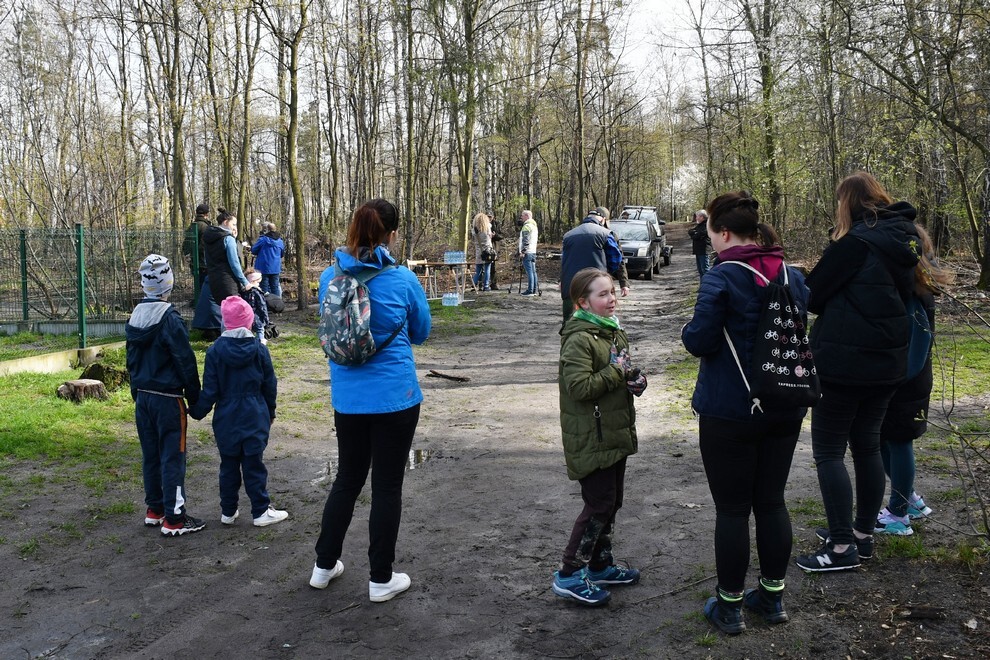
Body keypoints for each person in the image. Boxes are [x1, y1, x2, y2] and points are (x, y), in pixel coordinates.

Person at [681, 192, 810, 634]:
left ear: (724, 233)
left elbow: (699, 340)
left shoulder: (722, 276)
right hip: (785, 404)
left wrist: (687, 328)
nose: (711, 240)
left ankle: (730, 607)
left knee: (733, 509)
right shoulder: (792, 274)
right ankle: (772, 600)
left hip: (729, 410)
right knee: (772, 501)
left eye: (711, 233)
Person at [796, 171, 921, 572]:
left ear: (847, 203)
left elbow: (813, 296)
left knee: (830, 451)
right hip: (887, 365)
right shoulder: (906, 241)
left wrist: (799, 275)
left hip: (843, 365)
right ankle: (862, 536)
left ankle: (841, 547)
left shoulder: (854, 244)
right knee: (867, 446)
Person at [310, 198, 431, 603]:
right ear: (391, 235)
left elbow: (328, 332)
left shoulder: (330, 276)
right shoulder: (402, 280)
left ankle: (323, 566)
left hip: (348, 399)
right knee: (386, 487)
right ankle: (381, 579)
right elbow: (421, 332)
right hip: (395, 397)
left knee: (347, 478)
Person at [552, 267, 646, 607]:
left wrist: (633, 378)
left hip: (613, 431)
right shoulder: (578, 337)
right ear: (583, 302)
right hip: (592, 436)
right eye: (603, 294)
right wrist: (615, 372)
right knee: (598, 506)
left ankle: (600, 565)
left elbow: (621, 367)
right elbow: (577, 387)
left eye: (612, 292)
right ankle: (569, 574)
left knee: (611, 502)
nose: (612, 299)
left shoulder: (610, 331)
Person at [875, 224, 952, 535]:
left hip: (906, 384)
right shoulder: (909, 288)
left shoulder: (917, 295)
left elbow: (917, 353)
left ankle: (898, 514)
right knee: (882, 439)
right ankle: (910, 499)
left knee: (898, 440)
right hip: (899, 381)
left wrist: (895, 381)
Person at [189, 296, 287, 528]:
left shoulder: (214, 352)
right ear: (250, 322)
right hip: (255, 413)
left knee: (229, 464)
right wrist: (270, 411)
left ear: (225, 323)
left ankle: (228, 511)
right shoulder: (259, 350)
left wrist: (196, 411)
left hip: (226, 416)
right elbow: (269, 384)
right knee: (254, 464)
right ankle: (261, 510)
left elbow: (210, 390)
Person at [125, 254, 205, 536]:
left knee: (151, 455)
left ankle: (155, 508)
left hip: (143, 397)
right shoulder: (170, 319)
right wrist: (195, 399)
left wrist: (136, 392)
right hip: (168, 400)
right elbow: (185, 361)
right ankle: (175, 518)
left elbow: (131, 361)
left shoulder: (134, 317)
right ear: (168, 283)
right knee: (173, 456)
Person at [559, 206, 626, 321]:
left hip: (570, 287)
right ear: (603, 220)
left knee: (569, 322)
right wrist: (608, 276)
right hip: (595, 287)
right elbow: (616, 260)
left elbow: (564, 261)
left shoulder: (568, 235)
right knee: (597, 321)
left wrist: (562, 280)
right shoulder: (606, 234)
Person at [203, 208, 250, 307]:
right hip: (228, 281)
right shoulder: (228, 239)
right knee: (233, 315)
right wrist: (245, 282)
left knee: (223, 312)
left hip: (214, 279)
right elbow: (234, 264)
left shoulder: (209, 237)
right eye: (233, 224)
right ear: (225, 222)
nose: (235, 227)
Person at [182, 203, 212, 292]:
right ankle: (199, 302)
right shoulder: (206, 227)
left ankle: (197, 300)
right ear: (207, 214)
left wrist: (188, 256)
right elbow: (204, 247)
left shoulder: (192, 226)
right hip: (203, 263)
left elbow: (186, 245)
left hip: (193, 261)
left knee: (197, 284)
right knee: (203, 285)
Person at [250, 222, 285, 296]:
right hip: (275, 268)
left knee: (264, 288)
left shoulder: (263, 240)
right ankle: (277, 305)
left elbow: (254, 250)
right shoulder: (280, 241)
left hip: (263, 268)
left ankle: (265, 305)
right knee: (275, 287)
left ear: (267, 230)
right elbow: (282, 254)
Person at [241, 268, 270, 344]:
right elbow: (262, 306)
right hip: (257, 317)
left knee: (248, 332)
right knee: (260, 330)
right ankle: (261, 344)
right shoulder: (257, 292)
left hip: (246, 317)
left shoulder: (243, 292)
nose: (259, 284)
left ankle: (249, 344)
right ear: (254, 281)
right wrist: (266, 319)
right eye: (258, 282)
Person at [517, 209, 539, 296]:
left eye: (522, 215)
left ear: (527, 216)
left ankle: (530, 290)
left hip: (528, 252)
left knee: (529, 272)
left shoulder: (527, 226)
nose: (521, 217)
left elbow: (525, 240)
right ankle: (534, 290)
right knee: (533, 271)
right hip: (533, 251)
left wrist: (523, 251)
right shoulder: (534, 226)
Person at [471, 212, 494, 291]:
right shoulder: (487, 227)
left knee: (478, 270)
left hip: (479, 251)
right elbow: (490, 235)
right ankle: (486, 285)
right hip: (487, 250)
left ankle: (474, 284)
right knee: (487, 268)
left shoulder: (474, 229)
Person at [689, 209, 711, 279]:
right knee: (700, 271)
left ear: (702, 217)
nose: (696, 218)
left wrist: (695, 234)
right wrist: (695, 233)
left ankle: (708, 287)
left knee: (705, 270)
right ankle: (702, 287)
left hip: (704, 251)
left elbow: (699, 235)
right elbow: (690, 231)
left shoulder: (706, 225)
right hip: (698, 251)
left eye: (697, 216)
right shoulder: (699, 225)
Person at [489, 214, 504, 290]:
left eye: (490, 217)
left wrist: (494, 236)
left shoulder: (496, 224)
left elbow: (501, 236)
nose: (489, 218)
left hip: (494, 247)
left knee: (493, 267)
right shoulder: (482, 224)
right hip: (484, 247)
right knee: (482, 266)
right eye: (487, 216)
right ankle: (482, 284)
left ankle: (493, 283)